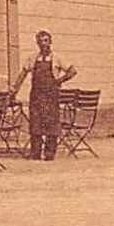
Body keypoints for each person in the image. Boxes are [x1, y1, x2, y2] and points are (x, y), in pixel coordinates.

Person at [11, 30, 76, 160]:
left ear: (50, 42)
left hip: (51, 95)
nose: (43, 44)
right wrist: (14, 90)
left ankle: (49, 153)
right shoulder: (32, 58)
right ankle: (35, 152)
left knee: (51, 123)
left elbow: (72, 71)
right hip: (36, 95)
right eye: (40, 41)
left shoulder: (57, 58)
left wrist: (59, 81)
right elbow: (22, 75)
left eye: (46, 41)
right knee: (35, 123)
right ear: (37, 43)